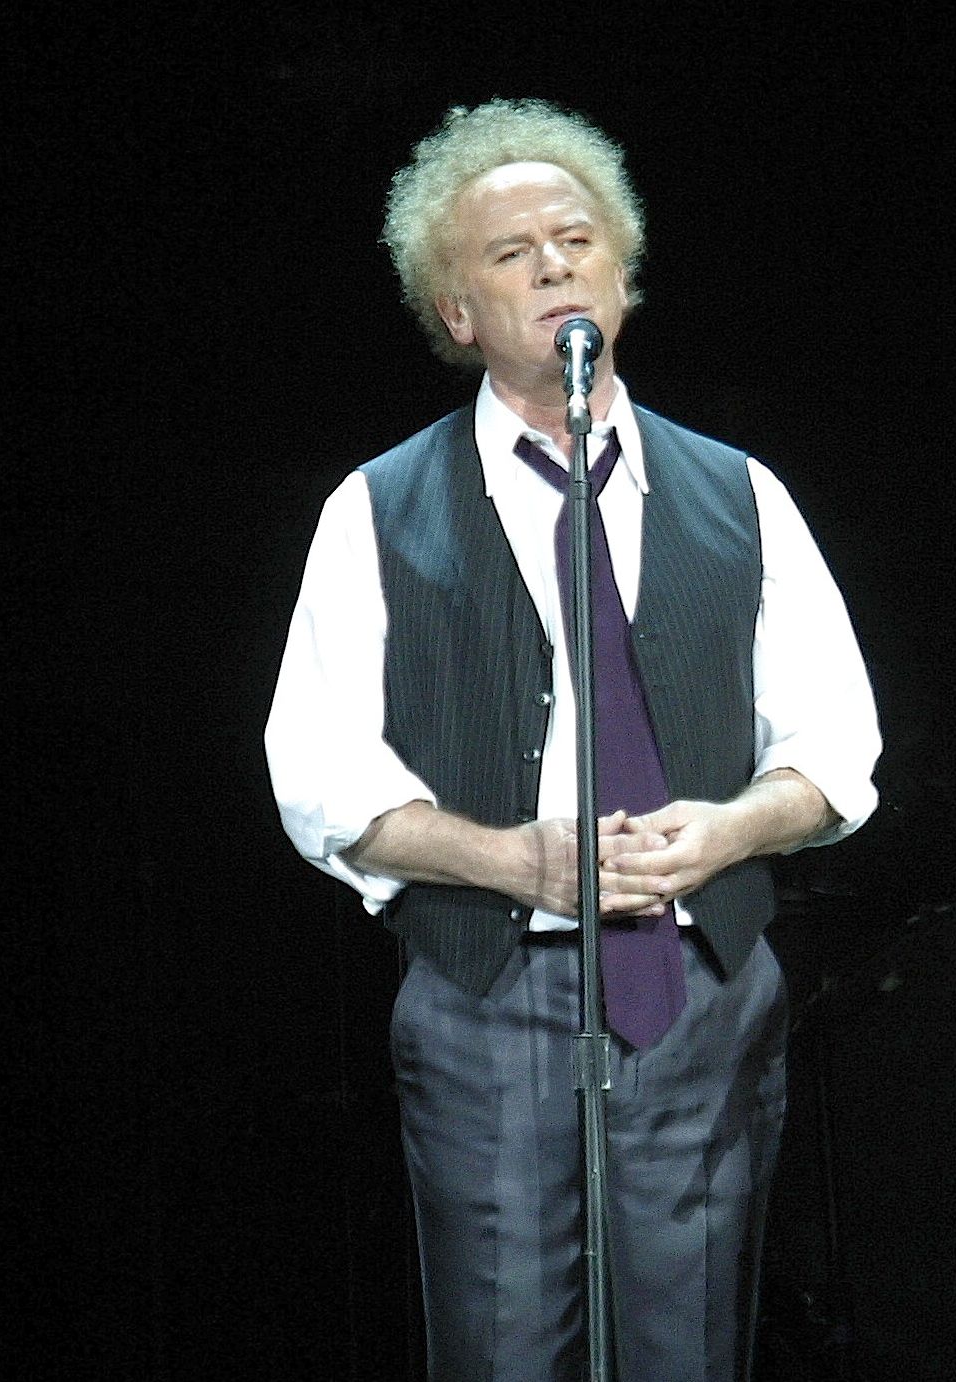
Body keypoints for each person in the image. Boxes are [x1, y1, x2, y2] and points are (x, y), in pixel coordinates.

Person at [264, 98, 880, 1381]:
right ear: (457, 314)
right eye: (511, 253)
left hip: (697, 987)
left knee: (693, 1344)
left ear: (624, 275)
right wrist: (514, 861)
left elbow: (837, 742)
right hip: (492, 996)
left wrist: (732, 827)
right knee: (500, 1349)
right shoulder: (377, 509)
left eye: (576, 238)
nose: (553, 264)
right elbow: (321, 776)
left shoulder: (738, 493)